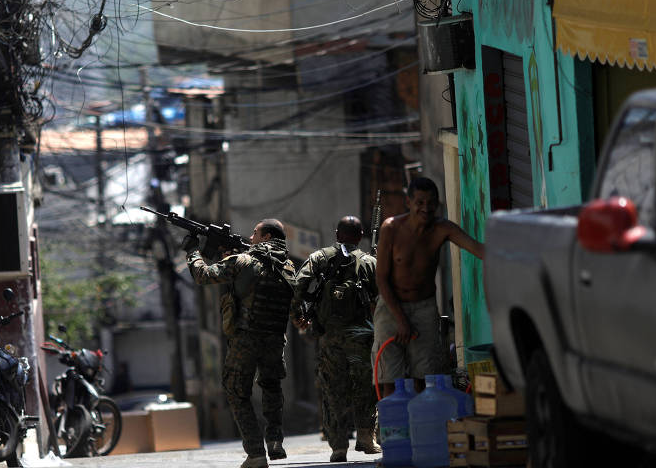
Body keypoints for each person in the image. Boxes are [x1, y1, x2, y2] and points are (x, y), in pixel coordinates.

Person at [183, 219, 296, 468]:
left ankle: (256, 453)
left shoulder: (244, 261)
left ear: (266, 236)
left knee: (236, 390)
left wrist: (193, 251)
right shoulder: (287, 266)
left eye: (255, 233)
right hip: (275, 338)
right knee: (271, 386)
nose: (251, 237)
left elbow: (203, 275)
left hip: (246, 338)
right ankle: (275, 439)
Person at [373, 177, 484, 397]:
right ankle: (392, 429)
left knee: (425, 378)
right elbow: (382, 279)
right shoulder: (391, 228)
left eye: (431, 202)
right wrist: (401, 319)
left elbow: (477, 248)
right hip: (390, 307)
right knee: (390, 380)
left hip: (424, 308)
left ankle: (423, 425)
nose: (426, 208)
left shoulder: (443, 229)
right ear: (408, 202)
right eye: (420, 202)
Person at [293, 216, 381, 462]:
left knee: (333, 389)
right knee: (365, 386)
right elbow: (384, 296)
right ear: (361, 234)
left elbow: (297, 285)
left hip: (330, 337)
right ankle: (366, 437)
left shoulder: (320, 258)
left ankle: (339, 447)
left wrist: (298, 317)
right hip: (362, 337)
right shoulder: (370, 262)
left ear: (336, 234)